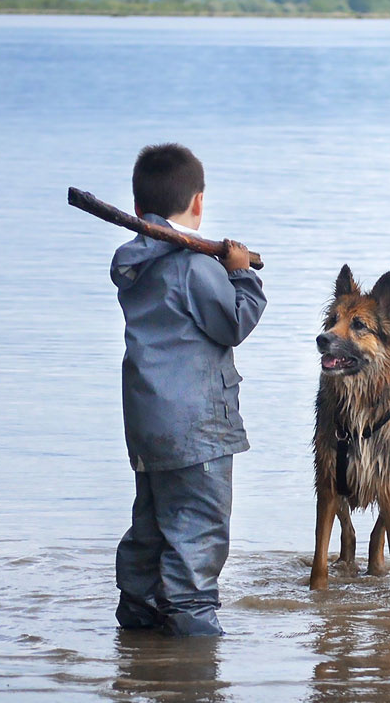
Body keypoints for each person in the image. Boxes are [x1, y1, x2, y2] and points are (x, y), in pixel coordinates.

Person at [110, 143, 266, 636]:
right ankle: (193, 640)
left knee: (152, 527)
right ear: (199, 202)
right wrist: (240, 274)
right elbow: (234, 323)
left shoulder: (135, 268)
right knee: (197, 530)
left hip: (148, 425)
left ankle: (137, 619)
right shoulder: (195, 266)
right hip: (197, 428)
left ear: (138, 211)